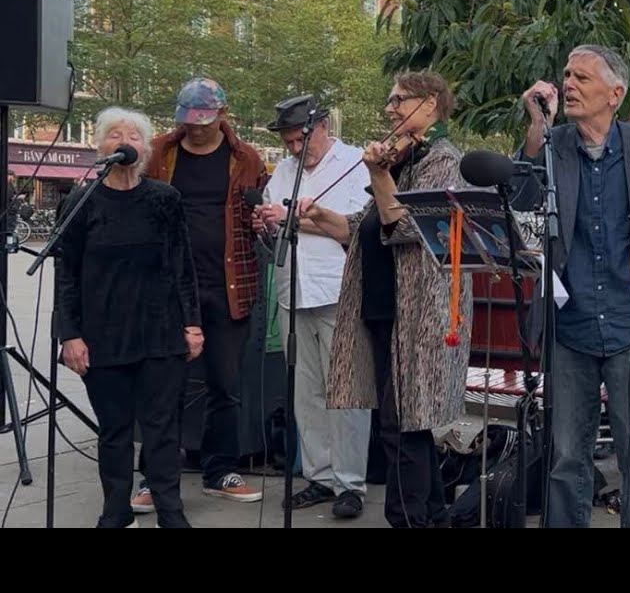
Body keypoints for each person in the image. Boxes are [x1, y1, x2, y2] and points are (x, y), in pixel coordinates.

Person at [509, 44, 630, 528]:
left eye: (581, 78)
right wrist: (535, 128)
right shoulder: (553, 145)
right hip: (570, 326)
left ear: (614, 94)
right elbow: (522, 197)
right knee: (566, 460)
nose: (569, 85)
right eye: (566, 76)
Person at [297, 70, 471, 528]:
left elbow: (404, 226)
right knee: (401, 423)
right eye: (390, 100)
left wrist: (378, 173)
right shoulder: (403, 161)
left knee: (404, 424)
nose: (390, 108)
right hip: (382, 310)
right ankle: (432, 516)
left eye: (399, 100)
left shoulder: (442, 160)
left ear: (429, 104)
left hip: (417, 315)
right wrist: (318, 216)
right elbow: (362, 226)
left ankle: (407, 518)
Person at [57, 107, 202, 529]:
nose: (124, 140)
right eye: (114, 134)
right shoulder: (80, 201)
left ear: (145, 148)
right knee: (115, 431)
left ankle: (170, 512)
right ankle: (116, 511)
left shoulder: (164, 199)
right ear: (99, 146)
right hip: (103, 337)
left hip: (160, 333)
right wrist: (70, 334)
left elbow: (183, 266)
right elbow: (67, 273)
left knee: (162, 430)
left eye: (134, 135)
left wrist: (192, 325)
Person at [133, 77, 267, 512]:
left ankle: (219, 470)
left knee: (225, 386)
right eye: (189, 123)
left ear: (222, 116)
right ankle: (156, 478)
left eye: (204, 123)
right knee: (162, 387)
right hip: (167, 289)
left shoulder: (246, 158)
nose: (196, 130)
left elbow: (257, 216)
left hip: (229, 288)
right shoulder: (160, 153)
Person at [252, 95, 372, 519]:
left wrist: (294, 221)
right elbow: (277, 228)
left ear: (322, 127)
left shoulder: (355, 163)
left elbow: (353, 227)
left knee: (346, 391)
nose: (294, 150)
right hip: (292, 290)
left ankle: (350, 482)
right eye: (287, 143)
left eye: (299, 140)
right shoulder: (283, 172)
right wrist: (268, 224)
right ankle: (319, 475)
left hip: (339, 288)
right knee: (306, 392)